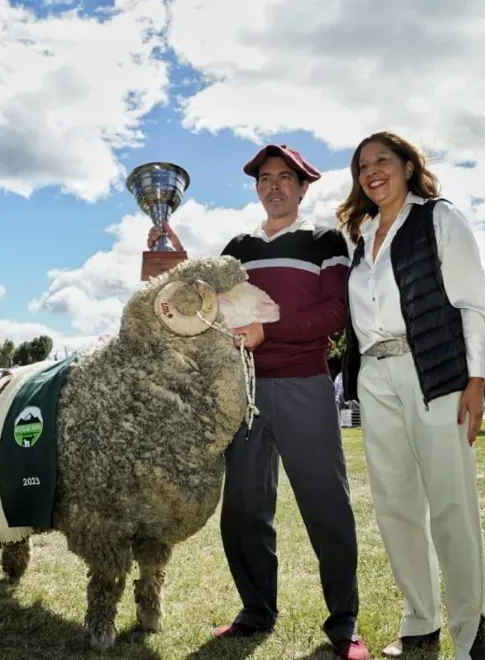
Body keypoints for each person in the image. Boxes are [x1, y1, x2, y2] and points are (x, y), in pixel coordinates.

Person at [148, 144, 368, 659]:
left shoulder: (325, 240)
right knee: (244, 509)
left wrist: (271, 330)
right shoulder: (238, 248)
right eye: (265, 178)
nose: (274, 186)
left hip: (304, 382)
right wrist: (169, 252)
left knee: (325, 505)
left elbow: (337, 311)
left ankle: (343, 622)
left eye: (285, 177)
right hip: (242, 389)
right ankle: (256, 609)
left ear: (303, 187)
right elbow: (201, 301)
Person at [338, 131, 485, 660]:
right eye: (362, 165)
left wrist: (476, 380)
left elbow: (474, 304)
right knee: (395, 506)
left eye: (382, 160)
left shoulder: (439, 218)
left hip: (434, 371)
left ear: (408, 166)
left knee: (452, 503)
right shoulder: (360, 235)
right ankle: (420, 622)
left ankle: (471, 630)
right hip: (374, 377)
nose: (371, 171)